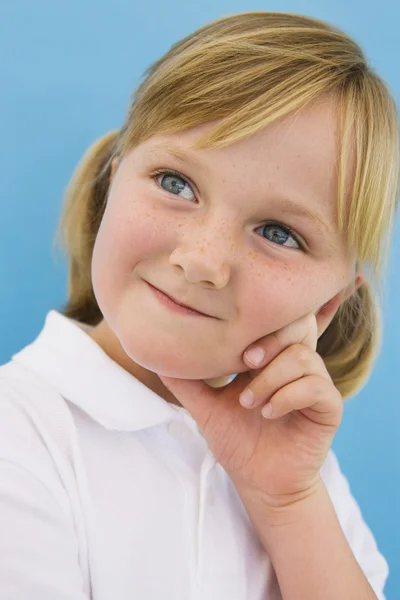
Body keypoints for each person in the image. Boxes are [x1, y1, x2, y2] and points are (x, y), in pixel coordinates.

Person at [0, 10, 398, 600]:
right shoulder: (20, 435)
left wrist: (286, 504)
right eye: (175, 183)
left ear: (327, 307)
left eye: (279, 233)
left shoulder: (306, 482)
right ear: (113, 185)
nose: (202, 260)